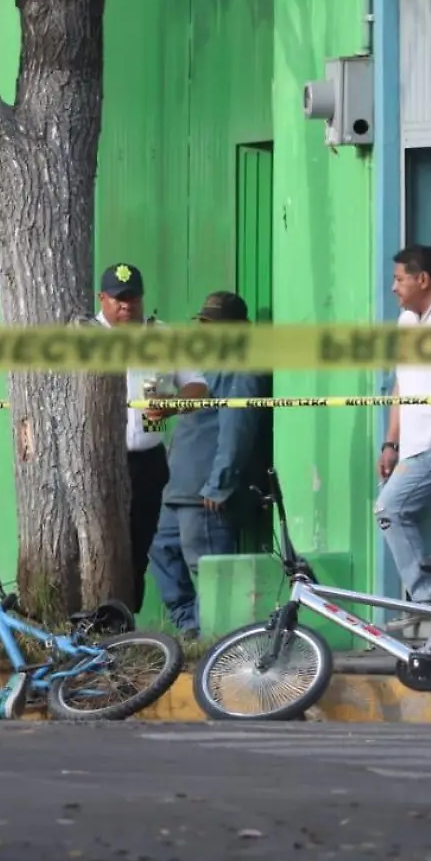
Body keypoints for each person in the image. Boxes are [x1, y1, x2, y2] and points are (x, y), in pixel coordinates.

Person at [147, 292, 271, 640]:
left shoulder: (241, 365)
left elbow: (238, 428)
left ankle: (215, 641)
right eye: (204, 323)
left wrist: (220, 483)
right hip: (179, 487)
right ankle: (191, 629)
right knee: (161, 550)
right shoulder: (204, 366)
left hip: (205, 491)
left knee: (208, 569)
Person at [97, 262, 208, 611]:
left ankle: (126, 625)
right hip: (98, 463)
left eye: (132, 298)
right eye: (117, 299)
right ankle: (95, 626)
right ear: (102, 299)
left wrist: (173, 406)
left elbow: (198, 385)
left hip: (147, 460)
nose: (125, 305)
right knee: (101, 548)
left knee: (138, 548)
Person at [377, 244, 431, 634]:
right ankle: (430, 605)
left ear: (422, 279)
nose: (394, 288)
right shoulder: (406, 322)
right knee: (388, 510)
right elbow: (402, 382)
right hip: (414, 445)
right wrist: (391, 442)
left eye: (399, 279)